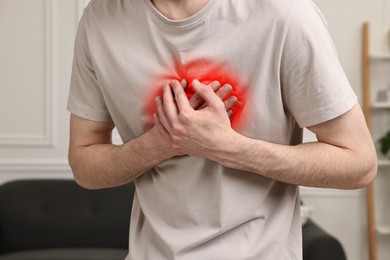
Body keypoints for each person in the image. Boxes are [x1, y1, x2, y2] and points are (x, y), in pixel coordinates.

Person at [67, 0, 377, 259]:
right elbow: (84, 163)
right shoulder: (99, 19)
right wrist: (158, 144)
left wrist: (227, 147)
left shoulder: (284, 14)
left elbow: (359, 163)